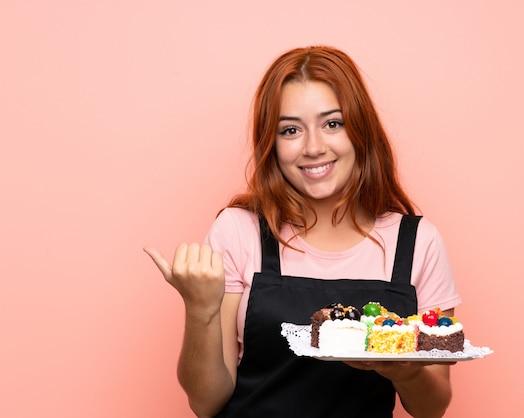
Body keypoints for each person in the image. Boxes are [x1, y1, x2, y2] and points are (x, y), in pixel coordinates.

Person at [144, 45, 461, 418]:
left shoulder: (418, 242)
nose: (313, 147)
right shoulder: (239, 230)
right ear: (272, 144)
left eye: (332, 123)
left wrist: (405, 374)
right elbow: (205, 402)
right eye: (291, 130)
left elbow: (432, 408)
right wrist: (199, 309)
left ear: (361, 130)